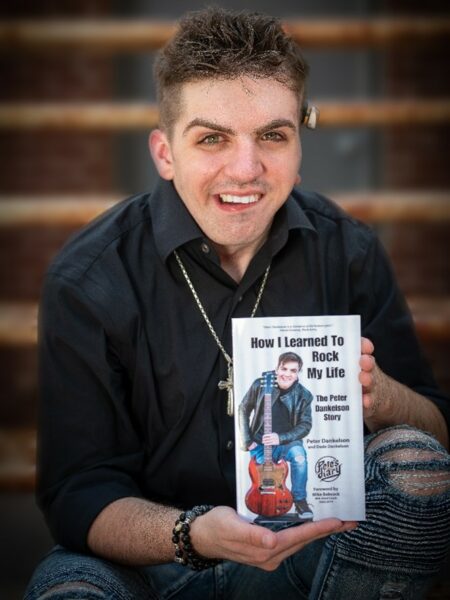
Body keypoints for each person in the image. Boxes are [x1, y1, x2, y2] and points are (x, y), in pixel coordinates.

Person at [26, 7, 450, 600]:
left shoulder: (347, 250)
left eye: (273, 135)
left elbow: (438, 431)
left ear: (299, 144)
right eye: (212, 138)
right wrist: (192, 533)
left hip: (322, 555)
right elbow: (78, 493)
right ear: (165, 152)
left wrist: (382, 397)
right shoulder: (89, 278)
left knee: (419, 466)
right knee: (66, 590)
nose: (246, 170)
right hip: (151, 563)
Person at [239, 352, 314, 519]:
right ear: (276, 368)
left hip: (287, 442)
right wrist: (247, 440)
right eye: (284, 368)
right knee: (262, 476)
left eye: (293, 371)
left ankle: (300, 501)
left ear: (298, 373)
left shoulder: (304, 395)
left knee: (300, 457)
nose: (287, 374)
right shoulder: (260, 385)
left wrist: (280, 438)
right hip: (260, 443)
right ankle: (264, 503)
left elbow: (305, 425)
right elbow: (243, 408)